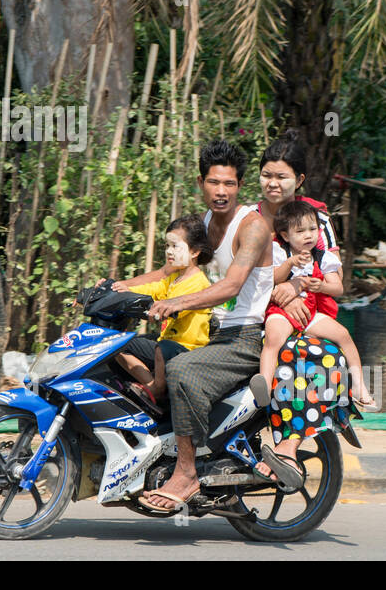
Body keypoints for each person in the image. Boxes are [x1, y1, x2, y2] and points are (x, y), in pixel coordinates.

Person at [141, 131, 355, 510]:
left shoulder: (304, 220)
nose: (273, 184)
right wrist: (122, 285)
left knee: (190, 371)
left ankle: (216, 465)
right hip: (258, 313)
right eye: (267, 175)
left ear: (299, 181)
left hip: (301, 312)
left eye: (282, 177)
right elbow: (196, 267)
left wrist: (298, 288)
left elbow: (248, 282)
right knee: (151, 354)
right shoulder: (227, 218)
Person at [259, 199, 376, 410]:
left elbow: (337, 288)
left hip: (311, 312)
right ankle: (264, 387)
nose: (308, 235)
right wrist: (289, 264)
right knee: (273, 337)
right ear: (285, 235)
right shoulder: (279, 252)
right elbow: (273, 279)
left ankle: (359, 386)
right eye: (300, 231)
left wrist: (321, 286)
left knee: (344, 336)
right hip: (283, 310)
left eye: (313, 229)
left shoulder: (323, 257)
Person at [109, 215, 215, 409]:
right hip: (166, 344)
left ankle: (157, 391)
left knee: (161, 348)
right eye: (167, 246)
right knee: (116, 343)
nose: (169, 251)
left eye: (175, 246)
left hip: (187, 348)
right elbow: (154, 289)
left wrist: (155, 308)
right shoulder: (175, 277)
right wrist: (126, 290)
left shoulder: (198, 282)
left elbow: (173, 308)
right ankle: (150, 385)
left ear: (195, 251)